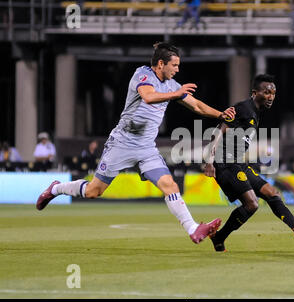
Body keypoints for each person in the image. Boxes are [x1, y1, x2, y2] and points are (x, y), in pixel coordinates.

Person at [36, 42, 236, 245]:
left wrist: (221, 114)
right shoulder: (143, 74)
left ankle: (193, 229)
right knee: (93, 191)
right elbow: (148, 97)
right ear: (161, 63)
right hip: (121, 144)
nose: (177, 69)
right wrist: (176, 94)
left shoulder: (172, 86)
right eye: (174, 65)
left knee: (169, 185)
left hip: (146, 148)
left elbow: (197, 106)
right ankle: (56, 189)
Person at [204, 74, 294, 252]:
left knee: (272, 192)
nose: (271, 96)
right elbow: (219, 129)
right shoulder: (244, 108)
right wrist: (209, 160)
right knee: (252, 204)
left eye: (273, 93)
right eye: (267, 92)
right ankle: (220, 237)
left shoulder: (255, 113)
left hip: (238, 163)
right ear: (255, 93)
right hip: (225, 163)